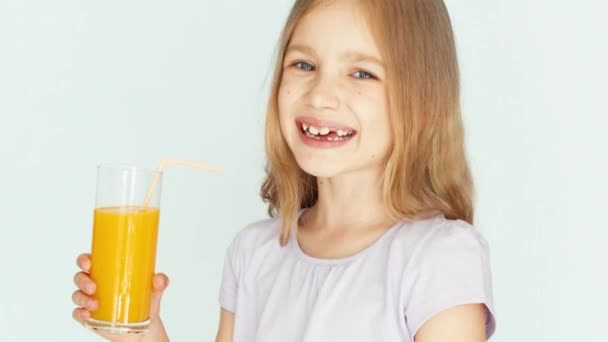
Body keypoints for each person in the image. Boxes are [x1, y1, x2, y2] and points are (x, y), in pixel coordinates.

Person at [72, 0, 497, 340]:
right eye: (304, 65)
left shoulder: (438, 258)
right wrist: (143, 332)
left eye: (362, 73)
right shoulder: (255, 254)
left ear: (422, 103)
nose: (321, 94)